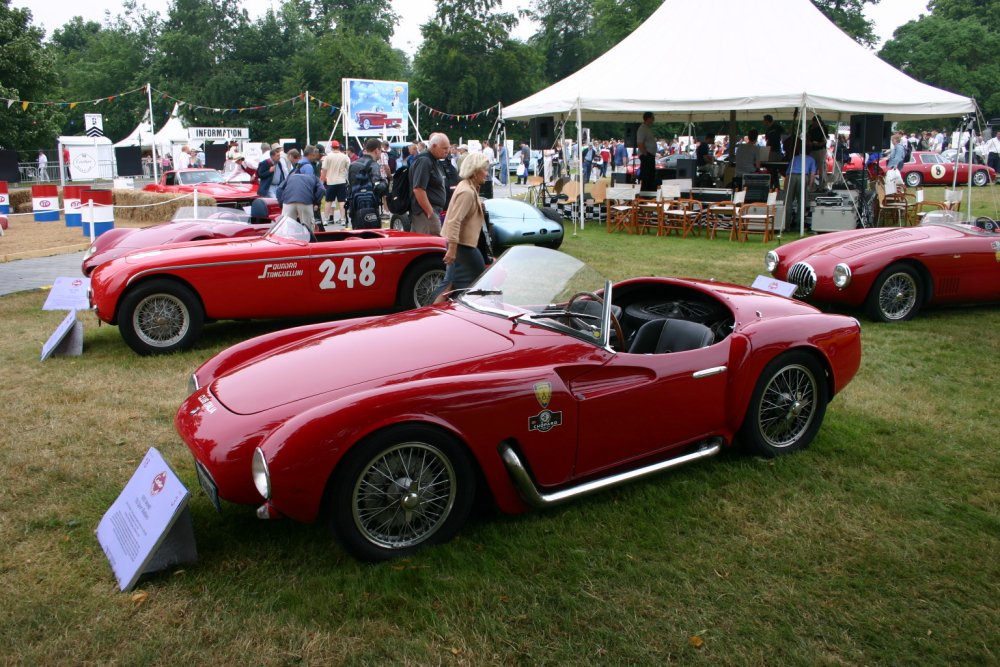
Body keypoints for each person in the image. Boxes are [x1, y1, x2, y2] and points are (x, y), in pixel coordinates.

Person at [433, 152, 490, 304]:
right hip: (462, 247)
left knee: (451, 284)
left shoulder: (467, 187)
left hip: (463, 246)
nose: (487, 173)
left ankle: (435, 315)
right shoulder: (467, 191)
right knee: (462, 285)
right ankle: (431, 315)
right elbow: (454, 221)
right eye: (484, 169)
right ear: (475, 170)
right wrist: (452, 249)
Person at [410, 132, 451, 235]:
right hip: (424, 213)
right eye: (444, 148)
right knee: (434, 246)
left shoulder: (433, 160)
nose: (447, 151)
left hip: (429, 212)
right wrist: (430, 212)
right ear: (433, 146)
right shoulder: (425, 160)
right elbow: (418, 189)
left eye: (448, 148)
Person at [276, 149, 325, 232]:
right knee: (308, 228)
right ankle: (309, 242)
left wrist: (281, 203)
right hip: (305, 201)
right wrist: (315, 201)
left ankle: (288, 243)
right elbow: (322, 189)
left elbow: (279, 189)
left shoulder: (291, 176)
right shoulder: (314, 178)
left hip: (288, 201)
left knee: (287, 228)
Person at [347, 138, 388, 229]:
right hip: (370, 207)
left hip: (354, 206)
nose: (381, 153)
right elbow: (378, 187)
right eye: (380, 150)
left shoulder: (353, 164)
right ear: (376, 150)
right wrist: (385, 182)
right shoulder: (373, 165)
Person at [783, 140, 817, 231]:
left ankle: (787, 226)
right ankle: (799, 226)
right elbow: (812, 174)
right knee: (802, 202)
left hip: (791, 176)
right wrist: (809, 185)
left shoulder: (794, 158)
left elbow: (787, 174)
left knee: (788, 202)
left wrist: (785, 187)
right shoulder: (811, 159)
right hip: (802, 176)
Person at [320, 140, 351, 225]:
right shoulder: (344, 157)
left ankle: (325, 219)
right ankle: (342, 219)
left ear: (331, 147)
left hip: (330, 182)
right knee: (341, 201)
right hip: (341, 181)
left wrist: (322, 180)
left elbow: (324, 170)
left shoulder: (328, 157)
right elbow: (348, 168)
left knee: (328, 201)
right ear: (339, 147)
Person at [806, 116, 828, 191]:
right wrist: (809, 142)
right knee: (811, 169)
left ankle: (823, 186)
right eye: (813, 122)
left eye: (815, 122)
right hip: (812, 150)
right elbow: (807, 137)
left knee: (822, 168)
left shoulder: (823, 128)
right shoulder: (811, 127)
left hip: (820, 150)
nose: (814, 124)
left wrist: (818, 144)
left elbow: (825, 141)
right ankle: (811, 186)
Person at [636, 112, 657, 192]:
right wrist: (645, 153)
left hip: (650, 155)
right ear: (648, 118)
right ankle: (645, 192)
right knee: (646, 175)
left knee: (651, 175)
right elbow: (640, 143)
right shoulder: (642, 129)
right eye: (652, 118)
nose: (653, 120)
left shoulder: (647, 128)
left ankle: (649, 191)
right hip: (646, 155)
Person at [762, 114, 784, 188]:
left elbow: (784, 134)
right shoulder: (768, 129)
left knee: (773, 169)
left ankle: (774, 186)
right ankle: (774, 186)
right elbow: (767, 141)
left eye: (764, 121)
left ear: (767, 121)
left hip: (775, 151)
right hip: (772, 151)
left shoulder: (776, 127)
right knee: (772, 170)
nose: (763, 122)